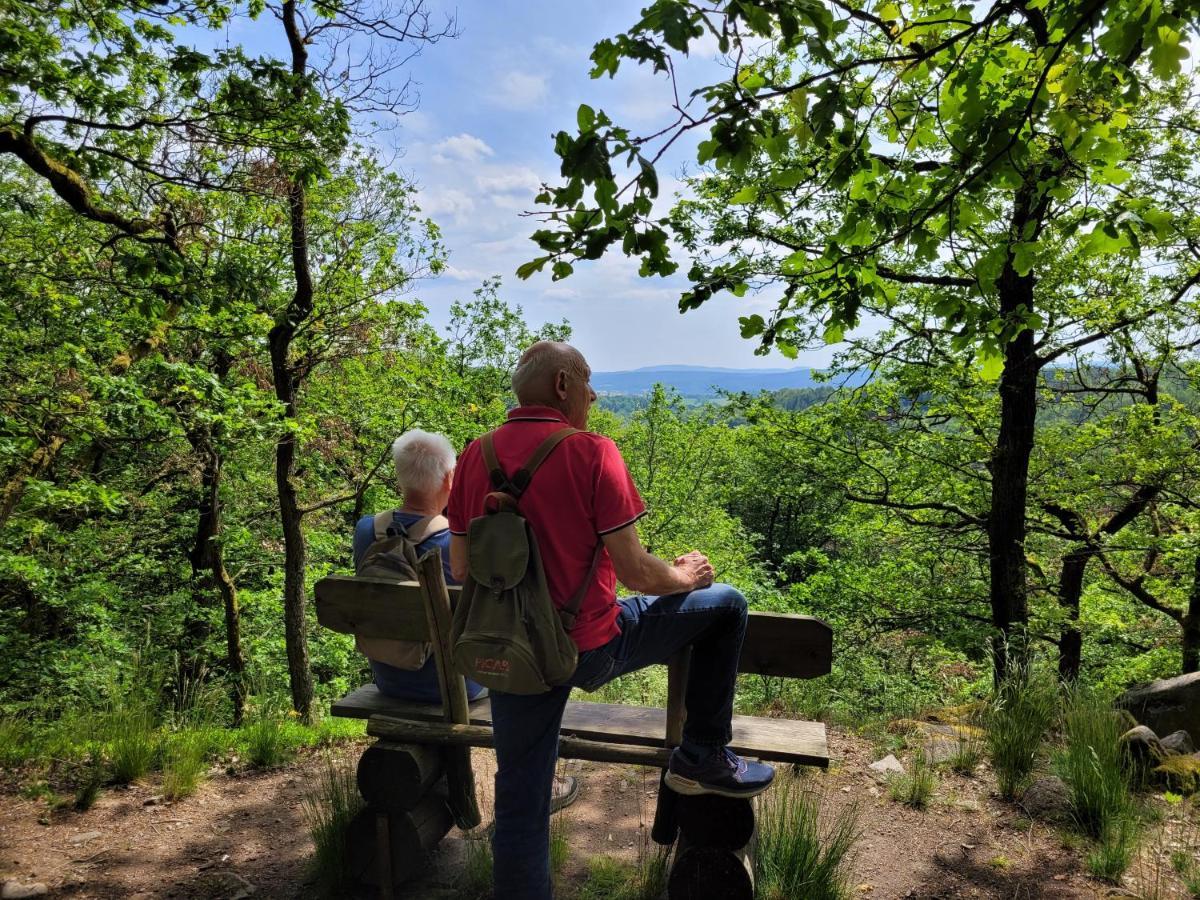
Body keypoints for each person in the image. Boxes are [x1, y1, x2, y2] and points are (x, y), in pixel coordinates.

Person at [447, 342, 773, 899]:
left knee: (520, 799)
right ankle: (702, 753)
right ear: (561, 387)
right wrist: (687, 576)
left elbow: (459, 566)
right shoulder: (593, 453)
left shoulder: (477, 455)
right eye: (587, 382)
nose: (594, 395)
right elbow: (638, 574)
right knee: (729, 604)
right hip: (587, 647)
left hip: (514, 652)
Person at [353, 429, 578, 811]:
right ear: (448, 479)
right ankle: (544, 780)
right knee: (530, 676)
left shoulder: (366, 532)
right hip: (457, 686)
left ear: (400, 476)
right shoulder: (457, 542)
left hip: (389, 678)